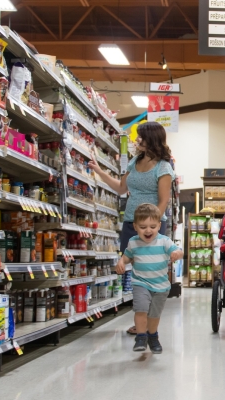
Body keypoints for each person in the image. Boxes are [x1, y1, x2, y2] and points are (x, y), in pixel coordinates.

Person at [90, 121, 174, 335]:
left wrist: (151, 225)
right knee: (137, 272)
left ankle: (147, 323)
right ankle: (141, 321)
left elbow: (164, 200)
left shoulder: (164, 167)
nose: (137, 140)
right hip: (131, 222)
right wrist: (99, 171)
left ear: (152, 139)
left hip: (152, 226)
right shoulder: (134, 162)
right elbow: (120, 188)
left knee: (149, 271)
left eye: (141, 137)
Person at [118, 203, 183, 353]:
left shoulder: (164, 241)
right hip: (141, 283)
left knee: (154, 315)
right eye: (143, 227)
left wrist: (176, 254)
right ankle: (141, 337)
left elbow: (178, 252)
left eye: (153, 227)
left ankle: (152, 336)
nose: (148, 230)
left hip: (160, 286)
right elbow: (127, 256)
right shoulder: (133, 242)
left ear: (159, 226)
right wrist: (122, 261)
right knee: (140, 309)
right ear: (135, 226)